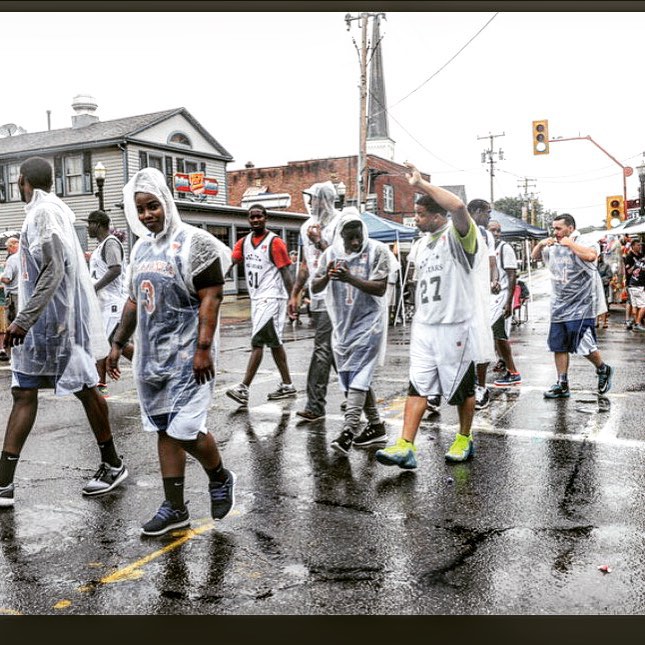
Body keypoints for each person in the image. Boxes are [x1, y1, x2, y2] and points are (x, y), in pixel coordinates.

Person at [107, 167, 235, 536]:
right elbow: (133, 300)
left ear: (166, 202)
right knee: (164, 429)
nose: (148, 215)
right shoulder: (142, 248)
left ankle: (220, 476)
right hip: (153, 356)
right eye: (141, 209)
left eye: (153, 206)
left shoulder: (196, 242)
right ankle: (175, 507)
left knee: (185, 429)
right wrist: (117, 344)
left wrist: (203, 348)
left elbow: (212, 296)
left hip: (189, 356)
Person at [0, 157, 128, 508]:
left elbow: (55, 268)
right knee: (24, 392)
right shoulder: (46, 211)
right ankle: (4, 485)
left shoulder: (44, 214)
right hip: (42, 325)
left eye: (17, 181)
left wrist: (23, 319)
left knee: (85, 389)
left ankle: (113, 463)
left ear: (22, 180)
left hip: (59, 324)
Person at [375, 162, 492, 469]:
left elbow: (459, 206)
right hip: (426, 325)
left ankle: (464, 438)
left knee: (462, 389)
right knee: (418, 385)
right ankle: (405, 445)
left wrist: (422, 184)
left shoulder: (460, 236)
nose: (416, 218)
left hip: (455, 325)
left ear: (439, 215)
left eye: (421, 214)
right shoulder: (421, 246)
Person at [311, 211, 392, 453]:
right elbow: (314, 286)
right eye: (350, 238)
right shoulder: (331, 254)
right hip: (343, 326)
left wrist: (349, 277)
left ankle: (348, 431)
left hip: (370, 323)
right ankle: (376, 426)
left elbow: (379, 288)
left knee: (360, 377)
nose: (355, 243)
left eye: (358, 237)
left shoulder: (378, 251)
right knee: (353, 380)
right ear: (341, 236)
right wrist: (328, 275)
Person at [530, 213, 613, 399]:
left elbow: (591, 256)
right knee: (558, 346)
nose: (556, 232)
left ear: (570, 228)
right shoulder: (554, 247)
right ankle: (562, 383)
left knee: (583, 344)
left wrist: (570, 244)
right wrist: (542, 244)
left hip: (582, 304)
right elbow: (534, 257)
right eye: (554, 228)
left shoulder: (585, 241)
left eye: (559, 228)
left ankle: (603, 368)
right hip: (559, 304)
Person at [225, 204, 297, 405]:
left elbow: (285, 272)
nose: (255, 220)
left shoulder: (275, 242)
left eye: (259, 217)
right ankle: (288, 385)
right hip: (257, 298)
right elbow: (231, 262)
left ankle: (244, 387)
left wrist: (293, 298)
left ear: (266, 218)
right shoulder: (244, 242)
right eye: (252, 217)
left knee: (258, 341)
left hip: (273, 297)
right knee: (274, 343)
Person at [288, 181, 342, 422]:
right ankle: (355, 397)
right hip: (318, 296)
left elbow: (344, 258)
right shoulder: (306, 226)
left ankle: (317, 404)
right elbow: (305, 264)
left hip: (339, 296)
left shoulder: (341, 222)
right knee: (331, 349)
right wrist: (295, 293)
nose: (311, 203)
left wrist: (320, 241)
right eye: (310, 199)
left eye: (315, 198)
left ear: (327, 199)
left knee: (326, 349)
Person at [85, 210, 134, 396]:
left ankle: (151, 370)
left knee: (113, 341)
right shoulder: (100, 247)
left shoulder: (111, 243)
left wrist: (95, 287)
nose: (87, 227)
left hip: (114, 302)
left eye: (89, 223)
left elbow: (115, 269)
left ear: (97, 224)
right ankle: (101, 384)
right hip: (105, 303)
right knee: (107, 342)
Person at [468, 198, 498, 410]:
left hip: (478, 296)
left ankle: (481, 387)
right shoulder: (454, 229)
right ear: (476, 211)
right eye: (487, 213)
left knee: (481, 340)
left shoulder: (486, 235)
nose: (489, 217)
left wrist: (494, 279)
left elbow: (492, 260)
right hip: (457, 296)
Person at [487, 220, 522, 387]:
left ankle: (513, 372)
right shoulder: (485, 249)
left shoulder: (504, 248)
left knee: (500, 335)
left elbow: (512, 275)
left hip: (501, 297)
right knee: (493, 335)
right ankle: (502, 361)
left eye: (498, 230)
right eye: (492, 230)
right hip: (489, 298)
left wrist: (509, 302)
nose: (496, 233)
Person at [0, 237, 19, 362]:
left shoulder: (12, 260)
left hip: (13, 296)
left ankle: (14, 355)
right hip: (23, 294)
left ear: (13, 246)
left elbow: (7, 278)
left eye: (7, 248)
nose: (7, 250)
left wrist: (1, 277)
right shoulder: (25, 257)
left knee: (12, 325)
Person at [625, 239, 645, 332]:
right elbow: (628, 271)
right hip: (631, 282)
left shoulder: (641, 255)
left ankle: (637, 320)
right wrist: (636, 265)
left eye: (640, 245)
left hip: (640, 283)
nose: (639, 247)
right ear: (632, 246)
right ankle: (628, 320)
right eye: (637, 245)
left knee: (636, 304)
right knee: (631, 302)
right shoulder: (629, 256)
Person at [596, 253, 613, 329]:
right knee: (595, 304)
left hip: (603, 287)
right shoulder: (592, 265)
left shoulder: (606, 266)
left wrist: (600, 280)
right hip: (594, 287)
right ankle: (596, 321)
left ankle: (604, 322)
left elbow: (609, 276)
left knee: (603, 305)